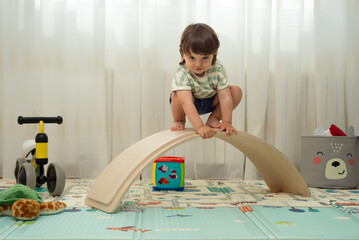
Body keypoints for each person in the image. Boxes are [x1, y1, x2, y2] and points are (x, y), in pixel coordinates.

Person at [170, 23, 242, 139]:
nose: (198, 64)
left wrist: (227, 122)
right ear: (183, 55)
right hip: (190, 102)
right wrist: (200, 127)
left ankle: (213, 118)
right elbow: (186, 102)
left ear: (214, 55)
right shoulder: (182, 72)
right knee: (177, 96)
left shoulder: (217, 69)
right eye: (192, 58)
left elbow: (225, 97)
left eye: (205, 58)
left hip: (211, 100)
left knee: (236, 91)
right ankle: (179, 119)